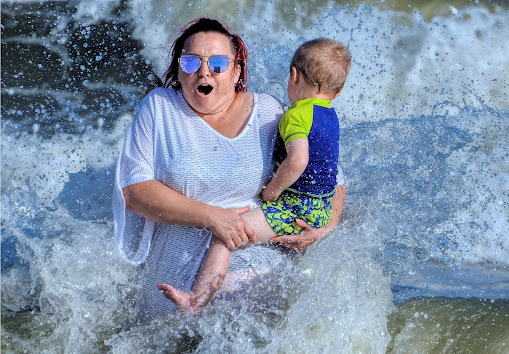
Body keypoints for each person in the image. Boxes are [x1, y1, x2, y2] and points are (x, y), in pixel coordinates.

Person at [113, 18, 346, 323]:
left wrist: (324, 228)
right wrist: (214, 218)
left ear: (237, 70)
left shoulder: (269, 112)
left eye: (218, 63)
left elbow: (333, 177)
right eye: (191, 61)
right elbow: (136, 193)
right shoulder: (159, 109)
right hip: (169, 288)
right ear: (178, 69)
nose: (204, 71)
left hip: (255, 281)